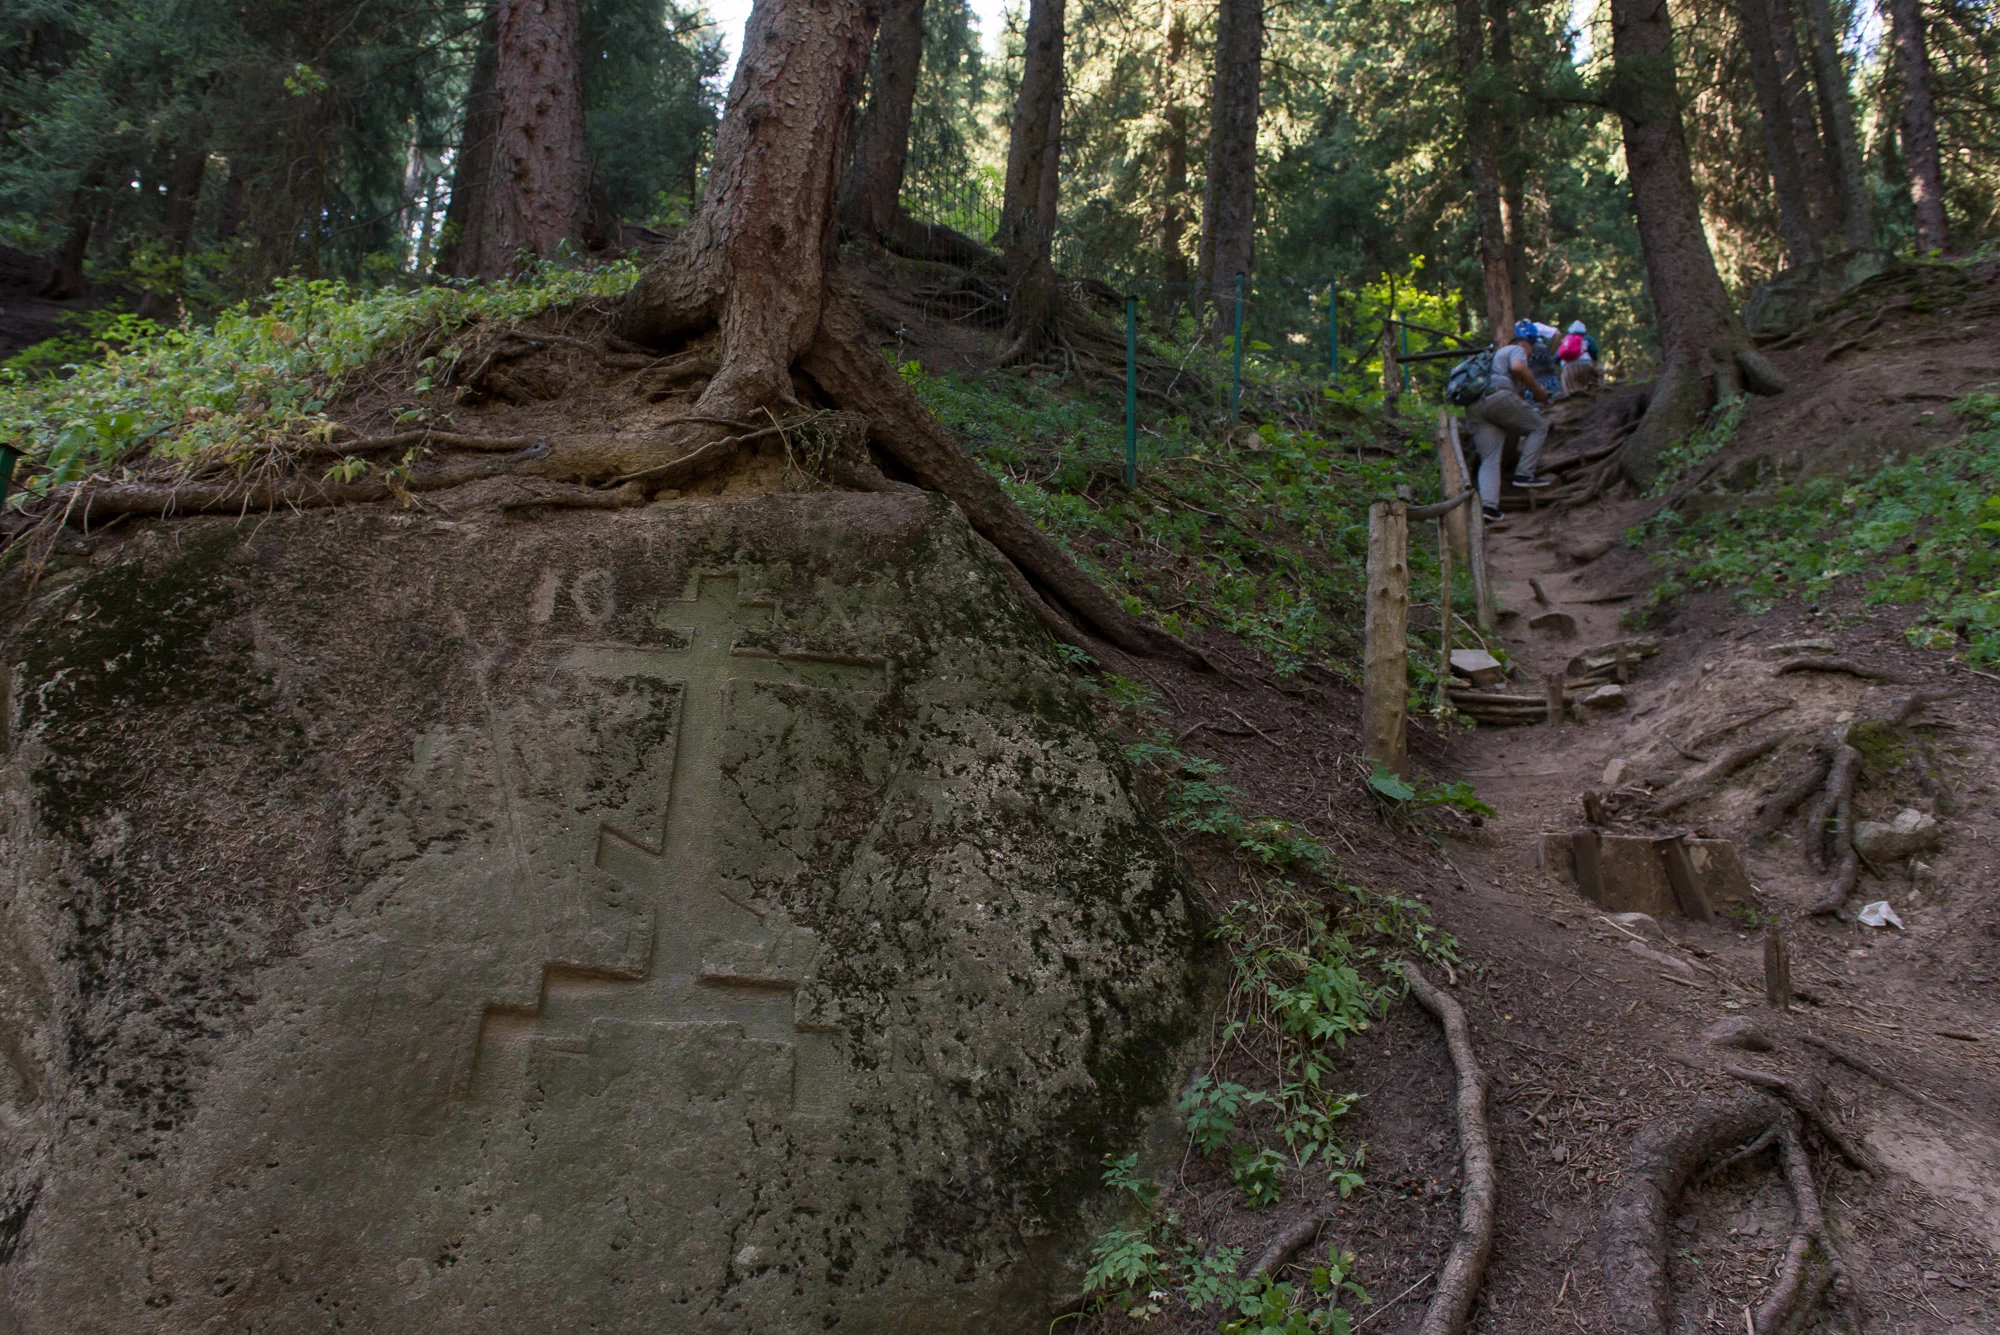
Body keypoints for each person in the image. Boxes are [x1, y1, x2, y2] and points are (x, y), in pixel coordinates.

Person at [1465, 319, 1553, 524]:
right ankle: (1524, 474)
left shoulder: (1490, 361)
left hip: (1475, 406)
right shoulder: (1516, 349)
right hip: (1497, 397)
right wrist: (1539, 393)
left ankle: (1489, 507)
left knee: (1490, 458)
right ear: (1524, 345)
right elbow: (1518, 368)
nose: (1528, 357)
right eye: (1529, 353)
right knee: (1539, 427)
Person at [1558, 320, 1601, 396]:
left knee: (1571, 392)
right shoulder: (1588, 339)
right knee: (1593, 385)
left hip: (1569, 368)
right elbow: (1594, 350)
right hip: (1586, 365)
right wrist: (1595, 361)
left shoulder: (1565, 340)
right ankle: (1596, 398)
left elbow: (1557, 356)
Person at [1528, 321, 1563, 398]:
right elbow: (1557, 334)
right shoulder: (1536, 325)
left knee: (1534, 378)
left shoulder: (1515, 328)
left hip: (1528, 354)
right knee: (1550, 376)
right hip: (1542, 350)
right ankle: (1555, 396)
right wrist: (1552, 353)